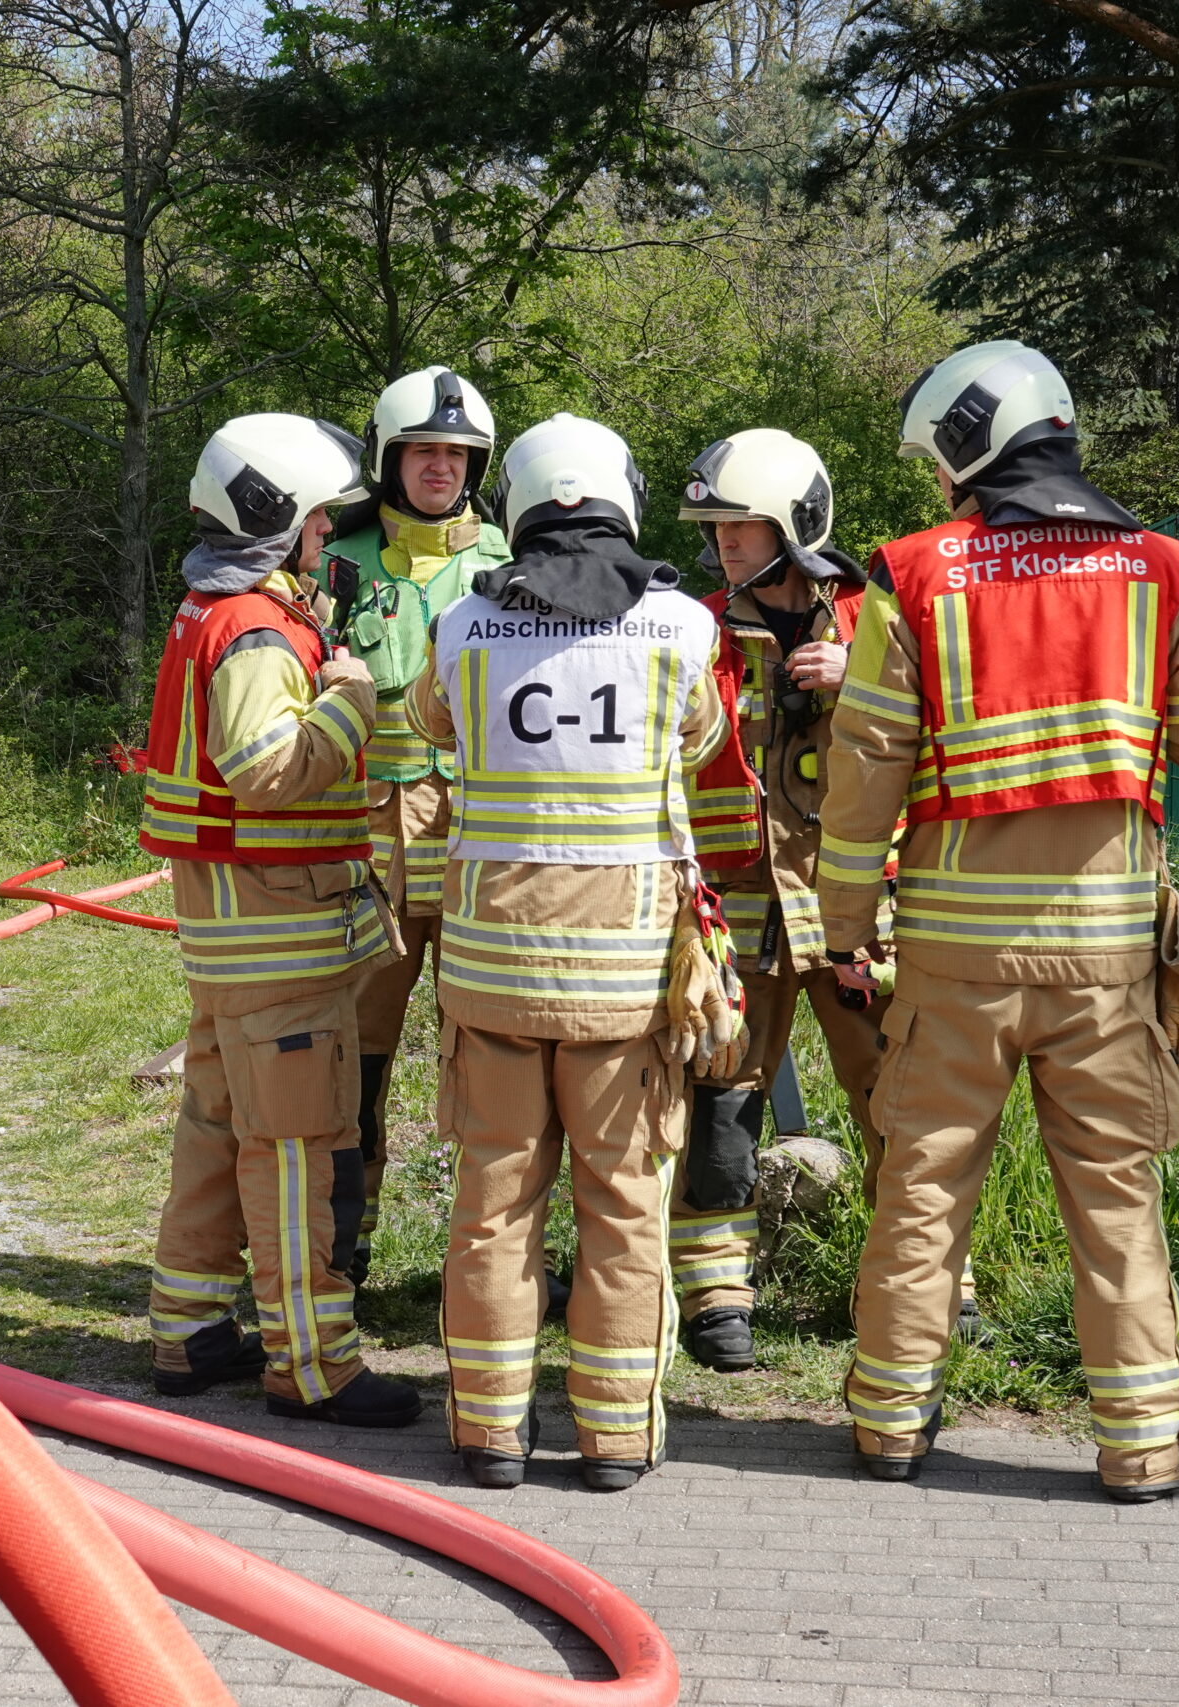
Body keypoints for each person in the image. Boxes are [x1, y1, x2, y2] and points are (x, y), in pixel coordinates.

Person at [816, 341, 1179, 1500]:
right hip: (1106, 959)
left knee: (922, 1182)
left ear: (968, 450)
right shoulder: (1158, 567)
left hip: (954, 958)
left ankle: (889, 1427)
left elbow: (864, 769)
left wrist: (846, 920)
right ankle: (1142, 1444)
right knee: (1113, 1195)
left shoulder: (914, 575)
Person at [405, 414, 738, 1491]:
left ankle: (488, 1434)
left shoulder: (461, 626)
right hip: (629, 986)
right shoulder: (683, 628)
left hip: (490, 976)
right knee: (624, 1204)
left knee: (493, 1200)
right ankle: (612, 1438)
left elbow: (431, 728)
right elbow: (701, 738)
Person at [138, 412, 423, 1429]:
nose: (324, 539)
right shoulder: (259, 632)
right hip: (279, 935)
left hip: (229, 936)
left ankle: (189, 1328)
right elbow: (264, 770)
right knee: (301, 1143)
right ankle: (312, 1365)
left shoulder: (208, 612)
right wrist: (349, 700)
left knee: (217, 1126)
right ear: (280, 521)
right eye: (315, 521)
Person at [666, 428, 896, 1373]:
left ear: (796, 527)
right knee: (722, 1097)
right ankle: (717, 1290)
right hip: (741, 905)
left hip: (853, 906)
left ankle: (920, 1286)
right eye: (716, 524)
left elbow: (944, 726)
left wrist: (863, 683)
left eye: (742, 523)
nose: (723, 541)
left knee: (898, 1093)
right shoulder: (694, 628)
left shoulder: (876, 623)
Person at [321, 367, 511, 1286]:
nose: (442, 467)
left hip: (479, 845)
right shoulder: (337, 558)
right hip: (371, 846)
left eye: (458, 454)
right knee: (356, 1053)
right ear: (391, 459)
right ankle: (337, 1241)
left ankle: (492, 1261)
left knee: (489, 1051)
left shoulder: (510, 565)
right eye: (426, 452)